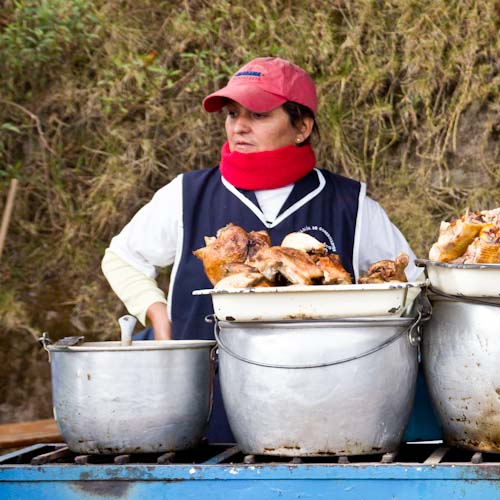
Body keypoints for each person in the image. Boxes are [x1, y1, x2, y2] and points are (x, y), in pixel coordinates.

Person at [101, 57, 423, 443]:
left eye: (258, 114)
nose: (238, 125)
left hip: (325, 412)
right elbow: (121, 258)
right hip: (202, 411)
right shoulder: (186, 195)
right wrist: (160, 323)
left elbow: (413, 288)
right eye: (232, 113)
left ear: (302, 126)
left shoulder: (350, 204)